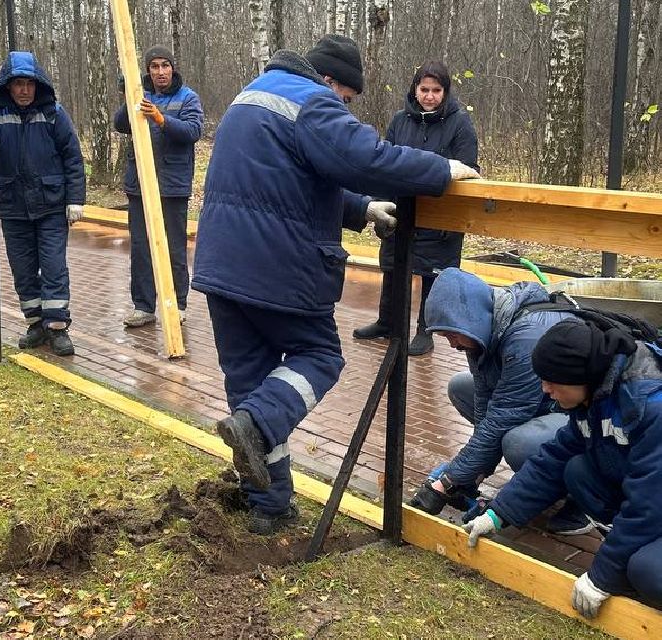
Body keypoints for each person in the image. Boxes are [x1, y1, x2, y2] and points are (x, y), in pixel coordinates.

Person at [192, 34, 480, 535]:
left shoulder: (253, 95)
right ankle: (256, 426)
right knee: (318, 356)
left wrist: (361, 208)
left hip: (222, 266)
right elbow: (364, 157)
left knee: (251, 379)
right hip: (278, 269)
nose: (343, 107)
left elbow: (296, 176)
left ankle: (269, 506)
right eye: (346, 99)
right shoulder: (312, 102)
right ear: (329, 82)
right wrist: (439, 169)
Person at [462, 315, 662, 634]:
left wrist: (601, 577)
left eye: (552, 381)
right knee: (579, 470)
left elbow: (651, 507)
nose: (545, 390)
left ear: (583, 377)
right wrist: (498, 513)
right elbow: (554, 457)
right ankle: (640, 560)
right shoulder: (598, 395)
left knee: (656, 574)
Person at [406, 267, 599, 534]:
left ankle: (586, 499)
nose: (452, 345)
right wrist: (473, 471)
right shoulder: (480, 331)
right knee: (461, 387)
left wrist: (448, 481)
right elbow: (486, 405)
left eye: (451, 335)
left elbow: (504, 417)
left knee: (518, 442)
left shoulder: (526, 337)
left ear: (469, 318)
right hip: (548, 400)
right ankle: (543, 476)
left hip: (590, 415)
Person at [353, 61, 478, 356]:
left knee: (432, 274)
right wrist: (379, 203)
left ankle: (426, 330)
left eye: (436, 90)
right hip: (401, 207)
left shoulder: (459, 123)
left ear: (445, 92)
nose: (429, 96)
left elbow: (469, 169)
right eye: (424, 89)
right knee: (393, 267)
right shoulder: (400, 120)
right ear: (415, 89)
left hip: (440, 213)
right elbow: (383, 163)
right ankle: (388, 322)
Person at [0, 51, 86, 358]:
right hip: (13, 206)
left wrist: (75, 199)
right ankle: (35, 324)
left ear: (38, 85)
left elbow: (72, 156)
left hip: (51, 205)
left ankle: (57, 327)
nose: (24, 90)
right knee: (23, 270)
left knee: (54, 267)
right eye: (18, 84)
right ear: (8, 86)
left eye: (29, 84)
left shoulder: (53, 113)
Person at [112, 46, 204, 327]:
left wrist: (161, 119)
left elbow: (192, 131)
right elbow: (120, 124)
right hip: (140, 183)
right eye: (154, 67)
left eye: (165, 66)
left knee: (174, 247)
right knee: (141, 247)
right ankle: (143, 306)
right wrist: (129, 97)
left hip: (171, 186)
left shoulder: (188, 97)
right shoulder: (142, 96)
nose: (160, 72)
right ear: (148, 71)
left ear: (173, 68)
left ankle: (177, 304)